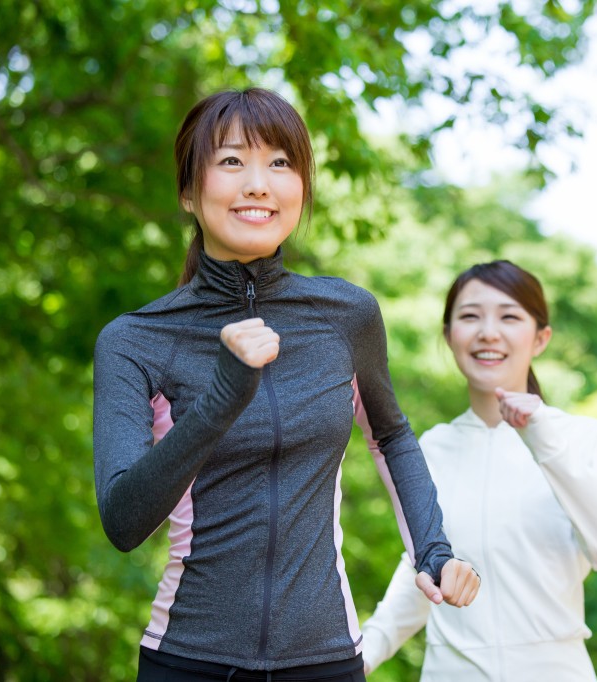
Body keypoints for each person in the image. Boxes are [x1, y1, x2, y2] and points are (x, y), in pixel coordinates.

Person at [92, 87, 479, 682]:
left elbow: (391, 437)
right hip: (189, 660)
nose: (258, 183)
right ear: (189, 193)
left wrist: (433, 551)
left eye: (279, 163)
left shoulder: (346, 315)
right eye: (231, 161)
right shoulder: (137, 340)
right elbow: (123, 520)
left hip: (325, 659)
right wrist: (224, 394)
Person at [360, 260, 597, 681]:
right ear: (449, 335)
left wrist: (542, 438)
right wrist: (364, 654)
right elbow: (422, 571)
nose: (488, 332)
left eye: (509, 316)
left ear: (541, 337)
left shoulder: (582, 438)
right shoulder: (431, 447)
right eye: (470, 316)